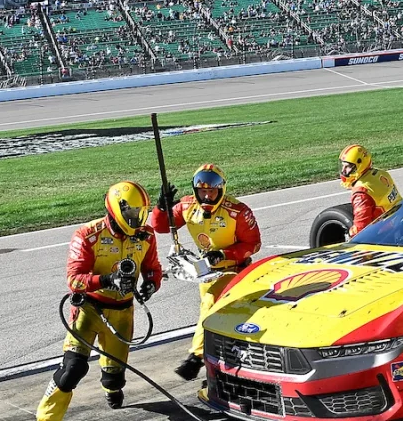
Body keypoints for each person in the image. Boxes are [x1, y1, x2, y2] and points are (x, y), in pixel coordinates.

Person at [37, 181, 163, 421]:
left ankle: (112, 388)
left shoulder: (146, 236)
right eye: (131, 213)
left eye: (141, 213)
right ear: (117, 209)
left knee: (114, 377)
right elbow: (74, 279)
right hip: (89, 310)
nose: (137, 220)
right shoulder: (87, 235)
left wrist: (151, 284)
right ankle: (46, 417)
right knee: (71, 370)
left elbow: (153, 268)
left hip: (123, 312)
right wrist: (107, 280)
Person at [148, 163, 262, 381]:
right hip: (205, 271)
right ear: (195, 190)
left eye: (212, 191)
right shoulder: (186, 207)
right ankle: (220, 365)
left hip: (234, 271)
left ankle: (195, 358)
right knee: (210, 316)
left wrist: (224, 253)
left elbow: (254, 244)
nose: (207, 197)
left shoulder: (238, 211)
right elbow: (161, 226)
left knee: (209, 305)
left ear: (221, 190)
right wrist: (160, 208)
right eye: (203, 191)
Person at [339, 144, 402, 237]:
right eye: (342, 166)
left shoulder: (361, 192)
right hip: (401, 221)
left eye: (347, 167)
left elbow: (361, 229)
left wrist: (349, 233)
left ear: (359, 166)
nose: (343, 171)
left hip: (384, 234)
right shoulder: (382, 174)